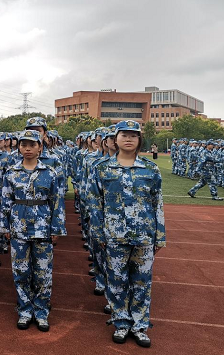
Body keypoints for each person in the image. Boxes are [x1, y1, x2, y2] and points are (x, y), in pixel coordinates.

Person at [87, 120, 166, 348]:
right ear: (115, 139)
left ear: (140, 140)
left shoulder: (150, 169)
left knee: (142, 282)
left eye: (134, 135)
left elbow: (157, 203)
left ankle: (140, 326)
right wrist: (98, 234)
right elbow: (94, 203)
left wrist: (159, 235)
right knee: (116, 281)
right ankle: (121, 323)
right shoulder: (101, 168)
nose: (129, 139)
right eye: (124, 135)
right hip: (114, 235)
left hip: (144, 235)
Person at [1, 129, 65, 331]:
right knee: (20, 271)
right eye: (23, 145)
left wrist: (57, 228)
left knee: (43, 273)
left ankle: (41, 311)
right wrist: (5, 225)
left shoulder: (50, 173)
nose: (27, 148)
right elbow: (6, 201)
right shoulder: (11, 173)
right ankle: (25, 310)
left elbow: (57, 202)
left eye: (32, 145)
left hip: (42, 229)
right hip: (18, 228)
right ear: (19, 147)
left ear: (40, 148)